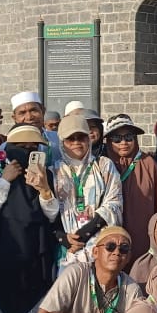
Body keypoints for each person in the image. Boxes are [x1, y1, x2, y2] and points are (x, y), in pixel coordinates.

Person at [0, 124, 59, 313]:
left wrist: (43, 188)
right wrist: (4, 180)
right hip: (3, 252)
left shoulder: (47, 175)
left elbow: (52, 216)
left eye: (33, 148)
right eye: (22, 147)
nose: (28, 151)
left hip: (37, 253)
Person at [55, 113, 123, 267]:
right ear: (62, 142)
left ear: (88, 139)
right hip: (68, 250)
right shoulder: (54, 171)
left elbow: (114, 203)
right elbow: (50, 212)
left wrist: (84, 234)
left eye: (81, 137)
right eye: (70, 138)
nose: (76, 142)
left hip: (101, 247)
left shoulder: (103, 165)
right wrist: (64, 238)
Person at [104, 115, 157, 262]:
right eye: (117, 139)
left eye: (129, 137)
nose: (123, 143)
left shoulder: (148, 163)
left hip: (142, 238)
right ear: (109, 141)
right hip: (110, 239)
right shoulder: (103, 165)